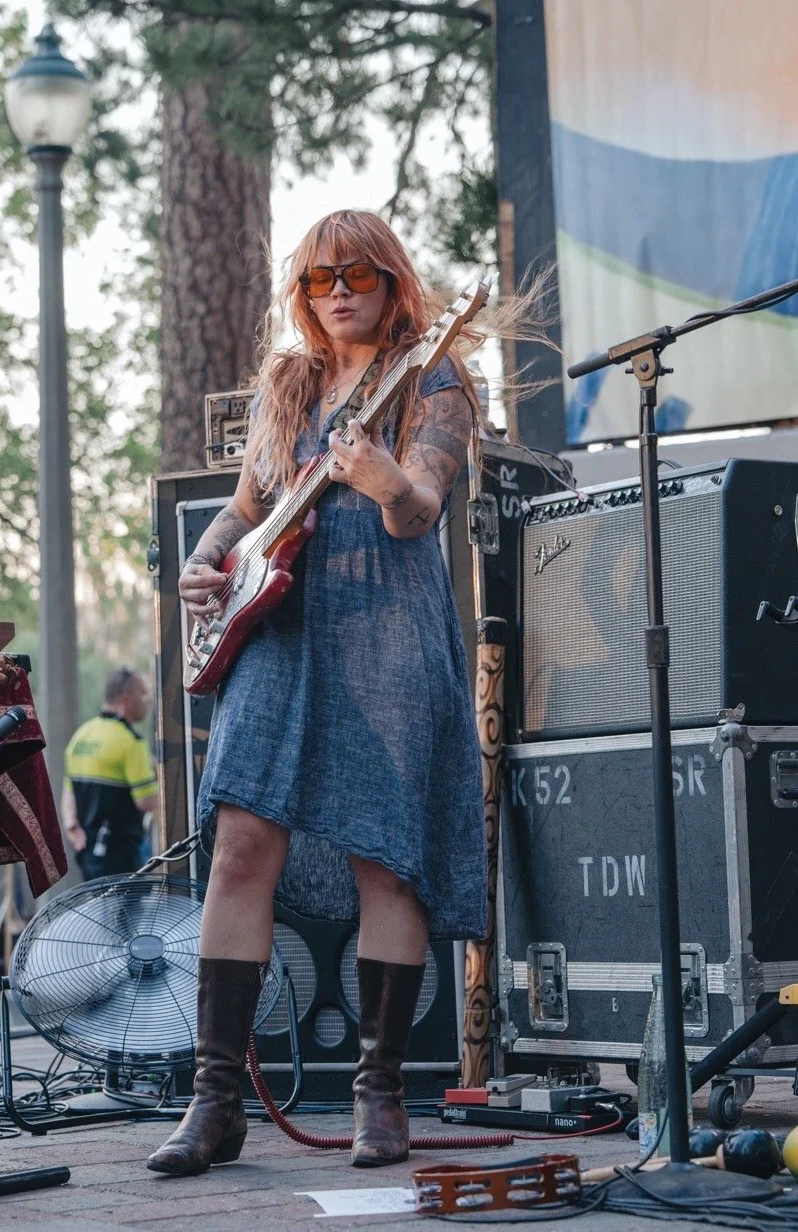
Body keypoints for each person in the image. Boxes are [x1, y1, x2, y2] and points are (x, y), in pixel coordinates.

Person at [148, 209, 489, 1178]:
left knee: (387, 857)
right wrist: (207, 561)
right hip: (280, 632)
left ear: (392, 281)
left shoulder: (433, 377)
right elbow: (247, 505)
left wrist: (383, 480)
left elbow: (419, 509)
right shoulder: (290, 383)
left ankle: (380, 1092)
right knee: (239, 845)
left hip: (387, 630)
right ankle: (215, 1099)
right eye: (316, 279)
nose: (336, 291)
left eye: (356, 275)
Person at [61, 668, 158, 880]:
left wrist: (72, 826)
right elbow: (147, 802)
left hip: (87, 854)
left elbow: (69, 793)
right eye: (143, 694)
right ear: (126, 698)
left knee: (96, 902)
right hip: (121, 857)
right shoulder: (131, 742)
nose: (148, 701)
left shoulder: (81, 736)